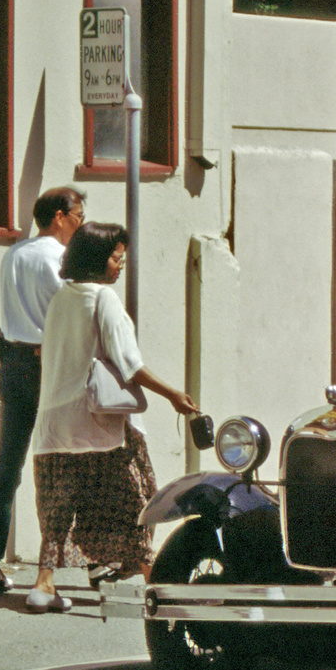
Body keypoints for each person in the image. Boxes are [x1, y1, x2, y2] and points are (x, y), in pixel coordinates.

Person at [26, 222, 198, 612]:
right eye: (117, 257)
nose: (121, 266)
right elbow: (130, 365)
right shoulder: (103, 299)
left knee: (57, 508)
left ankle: (43, 585)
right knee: (135, 499)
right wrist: (174, 395)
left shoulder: (61, 299)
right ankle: (156, 586)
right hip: (98, 425)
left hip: (54, 423)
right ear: (98, 259)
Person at [0, 188, 86, 595]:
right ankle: (89, 559)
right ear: (59, 216)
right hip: (47, 369)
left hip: (11, 366)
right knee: (73, 464)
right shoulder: (58, 259)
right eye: (78, 216)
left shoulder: (13, 254)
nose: (80, 225)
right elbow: (68, 313)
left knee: (6, 468)